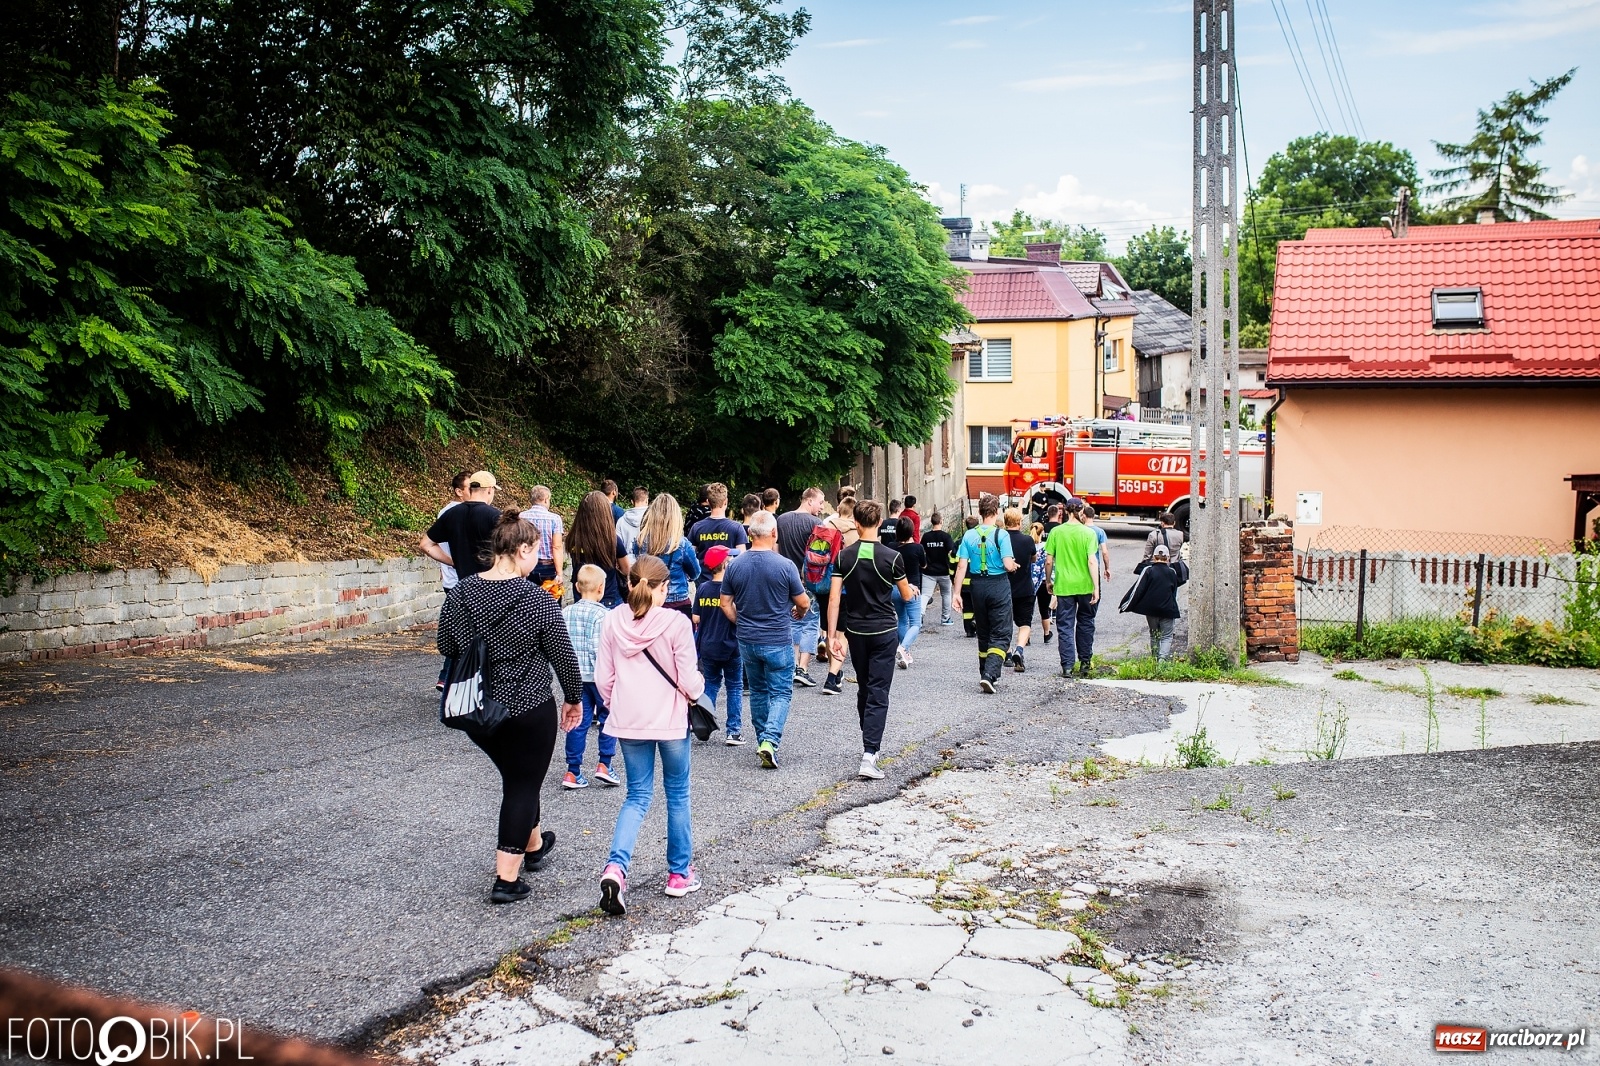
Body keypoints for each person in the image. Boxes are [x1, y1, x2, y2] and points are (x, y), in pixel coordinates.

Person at [436, 511, 583, 905]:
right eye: (536, 551)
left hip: (476, 709)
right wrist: (573, 698)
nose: (538, 558)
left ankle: (533, 845)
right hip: (527, 707)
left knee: (519, 776)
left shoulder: (462, 592)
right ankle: (506, 879)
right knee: (522, 785)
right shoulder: (537, 599)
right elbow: (563, 656)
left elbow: (446, 646)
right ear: (522, 550)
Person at [595, 556, 705, 916]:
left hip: (628, 720)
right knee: (678, 794)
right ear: (664, 588)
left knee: (637, 796)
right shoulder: (676, 623)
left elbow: (604, 679)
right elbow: (688, 679)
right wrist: (697, 691)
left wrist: (616, 702)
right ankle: (679, 874)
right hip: (669, 720)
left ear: (629, 584)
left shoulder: (612, 620)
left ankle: (616, 868)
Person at [825, 501, 914, 781]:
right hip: (884, 631)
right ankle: (870, 753)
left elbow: (834, 598)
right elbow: (906, 595)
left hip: (856, 631)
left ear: (856, 523)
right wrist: (911, 588)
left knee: (865, 688)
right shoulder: (892, 557)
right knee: (878, 692)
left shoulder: (843, 557)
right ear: (879, 523)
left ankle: (869, 741)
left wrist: (831, 636)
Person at [721, 511, 809, 769]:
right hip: (777, 638)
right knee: (781, 692)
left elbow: (725, 603)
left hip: (747, 639)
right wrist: (800, 612)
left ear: (749, 534)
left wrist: (740, 621)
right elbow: (803, 602)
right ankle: (770, 741)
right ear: (774, 533)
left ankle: (763, 740)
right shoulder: (785, 565)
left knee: (758, 691)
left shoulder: (735, 565)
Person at [421, 470, 501, 690]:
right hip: (492, 588)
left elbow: (426, 544)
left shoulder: (452, 514)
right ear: (489, 490)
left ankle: (459, 689)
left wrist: (452, 562)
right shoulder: (495, 516)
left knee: (462, 641)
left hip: (463, 587)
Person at [950, 494, 1017, 693]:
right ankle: (990, 674)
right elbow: (1008, 564)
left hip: (977, 586)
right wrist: (1014, 566)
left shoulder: (968, 536)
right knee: (1002, 632)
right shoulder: (1001, 535)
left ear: (980, 512)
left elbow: (961, 567)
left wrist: (956, 593)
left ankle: (984, 672)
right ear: (997, 512)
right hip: (998, 585)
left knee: (984, 631)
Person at [562, 565, 619, 789]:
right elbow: (599, 650)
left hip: (575, 678)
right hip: (599, 677)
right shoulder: (603, 615)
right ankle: (604, 764)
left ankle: (572, 771)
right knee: (607, 718)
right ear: (601, 588)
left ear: (577, 586)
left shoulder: (566, 612)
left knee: (578, 721)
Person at [1044, 499, 1102, 678]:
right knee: (1086, 622)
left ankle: (1067, 666)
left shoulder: (1056, 532)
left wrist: (1048, 581)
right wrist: (1096, 587)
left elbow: (1048, 560)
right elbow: (1092, 561)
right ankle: (1085, 662)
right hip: (1085, 585)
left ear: (1065, 511)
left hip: (1064, 586)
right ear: (1082, 511)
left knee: (1065, 626)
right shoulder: (1089, 533)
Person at [776, 487, 827, 687]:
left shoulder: (782, 520)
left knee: (792, 622)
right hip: (809, 581)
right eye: (820, 502)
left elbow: (776, 548)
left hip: (785, 580)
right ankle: (803, 668)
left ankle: (792, 666)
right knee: (810, 623)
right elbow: (821, 556)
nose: (822, 507)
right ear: (809, 500)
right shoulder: (816, 523)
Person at [695, 546, 744, 746]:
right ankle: (733, 732)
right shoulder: (732, 589)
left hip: (708, 645)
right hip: (731, 645)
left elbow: (696, 617)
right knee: (734, 686)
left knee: (711, 684)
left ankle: (704, 725)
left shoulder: (703, 588)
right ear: (725, 564)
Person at [817, 496, 860, 694]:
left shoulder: (824, 528)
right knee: (843, 635)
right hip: (844, 589)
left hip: (823, 586)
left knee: (829, 632)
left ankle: (836, 672)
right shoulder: (855, 533)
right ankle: (831, 678)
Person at [633, 493, 702, 618]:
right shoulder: (681, 544)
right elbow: (696, 573)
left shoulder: (640, 541)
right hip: (677, 602)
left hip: (648, 600)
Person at [568, 491, 631, 609]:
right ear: (605, 513)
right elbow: (626, 569)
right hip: (608, 596)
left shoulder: (573, 538)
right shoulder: (612, 540)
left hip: (581, 595)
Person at [1127, 545, 1184, 661]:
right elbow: (1174, 591)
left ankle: (1154, 659)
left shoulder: (1148, 570)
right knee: (1167, 636)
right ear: (1168, 558)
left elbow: (1138, 589)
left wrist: (1127, 604)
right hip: (1168, 609)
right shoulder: (1172, 572)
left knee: (1154, 635)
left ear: (1153, 557)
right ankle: (1161, 662)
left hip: (1151, 609)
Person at [1003, 508, 1038, 673]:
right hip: (1025, 589)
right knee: (1025, 623)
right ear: (1019, 522)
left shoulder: (1000, 539)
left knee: (1004, 622)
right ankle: (1019, 650)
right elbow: (1034, 558)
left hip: (1004, 589)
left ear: (1005, 522)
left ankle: (1008, 653)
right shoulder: (1027, 540)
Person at [687, 483, 749, 565]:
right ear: (726, 501)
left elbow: (689, 557)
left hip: (703, 572)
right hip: (727, 572)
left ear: (708, 502)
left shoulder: (697, 527)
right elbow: (741, 558)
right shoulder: (737, 527)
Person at [892, 516, 925, 669]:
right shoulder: (918, 548)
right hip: (913, 589)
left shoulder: (891, 547)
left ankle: (905, 654)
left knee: (902, 620)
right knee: (916, 623)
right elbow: (924, 565)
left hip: (894, 588)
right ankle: (903, 647)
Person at [518, 486, 565, 586]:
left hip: (524, 563)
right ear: (546, 499)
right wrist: (559, 573)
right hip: (547, 567)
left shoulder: (521, 517)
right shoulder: (554, 519)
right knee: (548, 595)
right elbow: (556, 547)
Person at [920, 513, 955, 626]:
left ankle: (919, 616)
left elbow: (921, 551)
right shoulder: (946, 536)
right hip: (944, 571)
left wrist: (923, 564)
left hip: (929, 571)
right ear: (941, 521)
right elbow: (952, 552)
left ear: (932, 522)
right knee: (946, 594)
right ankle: (945, 618)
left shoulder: (926, 536)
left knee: (925, 595)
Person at [1031, 522, 1054, 645]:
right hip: (1044, 581)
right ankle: (1046, 633)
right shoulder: (1046, 547)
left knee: (1028, 611)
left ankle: (1026, 636)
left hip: (1029, 582)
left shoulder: (1028, 546)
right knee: (1044, 610)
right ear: (1043, 532)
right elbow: (1049, 563)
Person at [959, 515, 980, 637]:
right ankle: (976, 622)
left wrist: (954, 578)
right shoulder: (981, 541)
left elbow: (953, 562)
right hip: (976, 580)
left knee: (966, 607)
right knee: (978, 604)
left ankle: (969, 631)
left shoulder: (960, 542)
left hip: (963, 581)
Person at [1083, 503, 1112, 587]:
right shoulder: (1100, 532)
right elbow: (1104, 552)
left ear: (1084, 515)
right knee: (1095, 590)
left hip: (1080, 566)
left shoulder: (1079, 530)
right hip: (1094, 566)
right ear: (1093, 516)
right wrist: (1107, 568)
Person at [618, 486, 649, 558]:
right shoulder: (653, 520)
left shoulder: (621, 521)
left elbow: (618, 545)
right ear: (647, 500)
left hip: (626, 562)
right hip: (647, 562)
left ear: (632, 501)